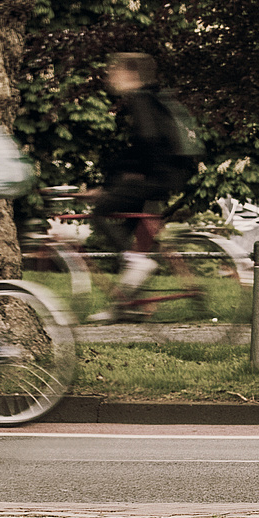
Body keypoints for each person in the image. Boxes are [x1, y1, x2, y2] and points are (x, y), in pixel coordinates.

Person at [86, 52, 195, 319]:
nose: (111, 77)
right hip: (169, 175)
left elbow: (147, 141)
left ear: (131, 75)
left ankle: (137, 265)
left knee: (100, 211)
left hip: (155, 177)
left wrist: (120, 179)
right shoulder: (157, 97)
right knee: (134, 236)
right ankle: (127, 307)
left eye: (115, 72)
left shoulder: (141, 99)